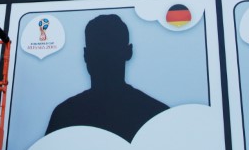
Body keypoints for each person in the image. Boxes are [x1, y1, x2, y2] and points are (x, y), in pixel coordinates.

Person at [45, 14, 168, 142]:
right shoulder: (155, 113)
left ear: (86, 55)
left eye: (110, 52)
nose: (105, 59)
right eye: (99, 52)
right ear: (128, 51)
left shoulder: (65, 114)